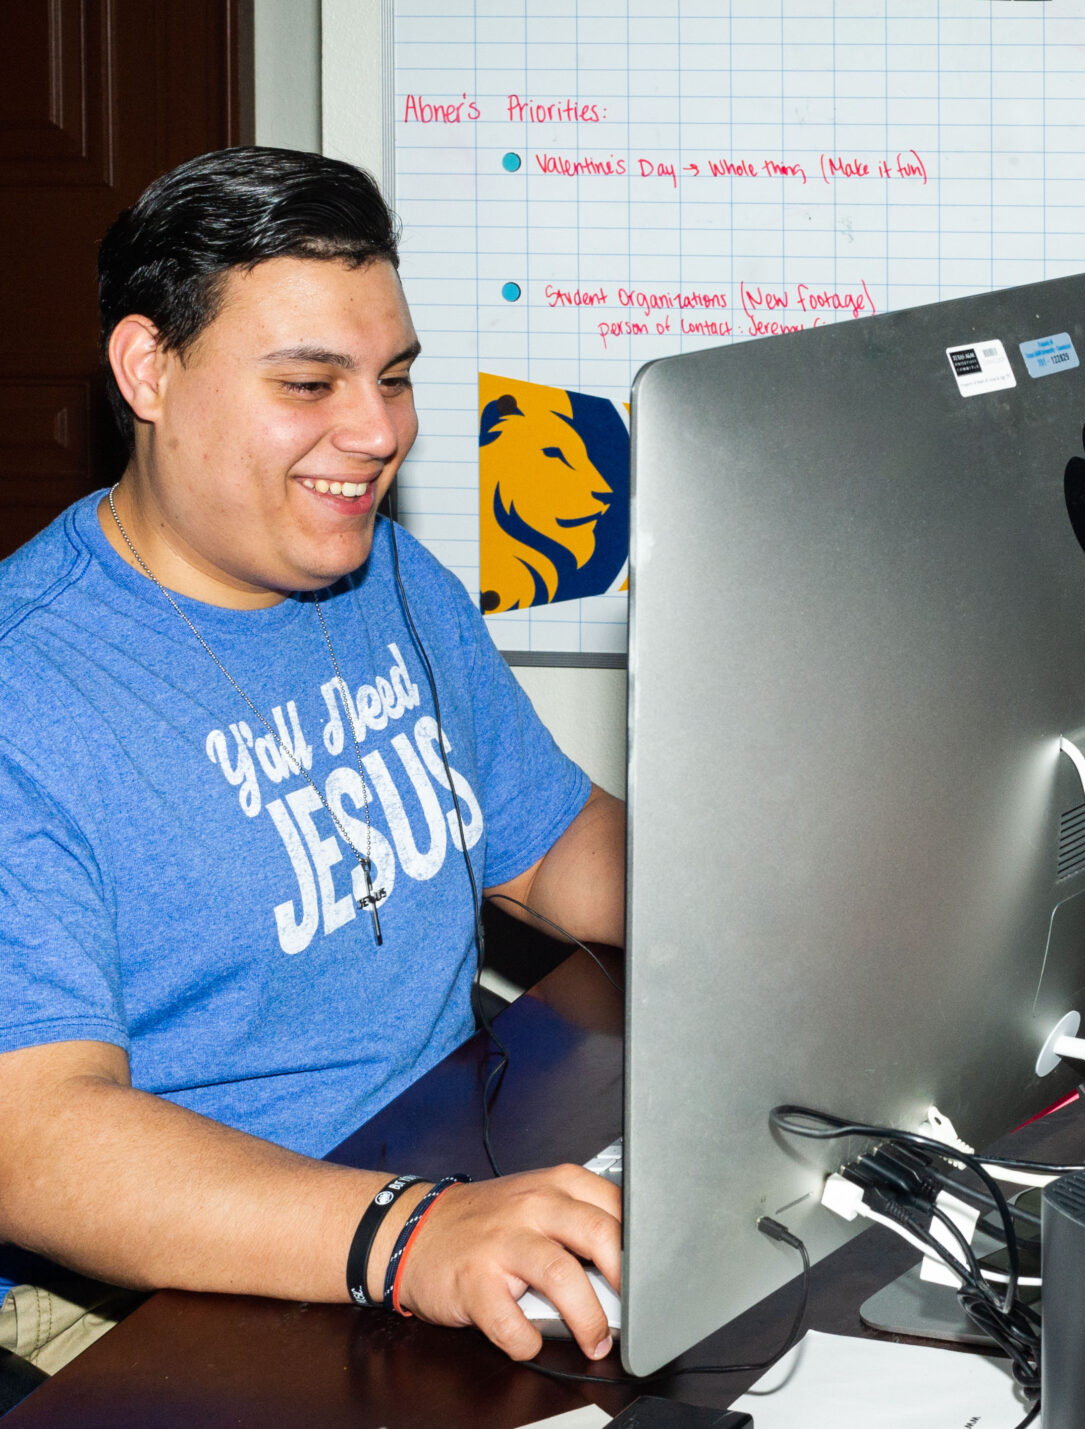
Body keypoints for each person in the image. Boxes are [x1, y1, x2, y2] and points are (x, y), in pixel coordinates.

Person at [0, 147, 626, 1385]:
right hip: (151, 1302)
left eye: (393, 378)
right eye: (310, 382)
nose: (379, 432)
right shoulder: (30, 689)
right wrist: (407, 1234)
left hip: (435, 1170)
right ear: (149, 371)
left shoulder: (386, 573)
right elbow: (35, 1137)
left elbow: (547, 844)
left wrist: (781, 894)